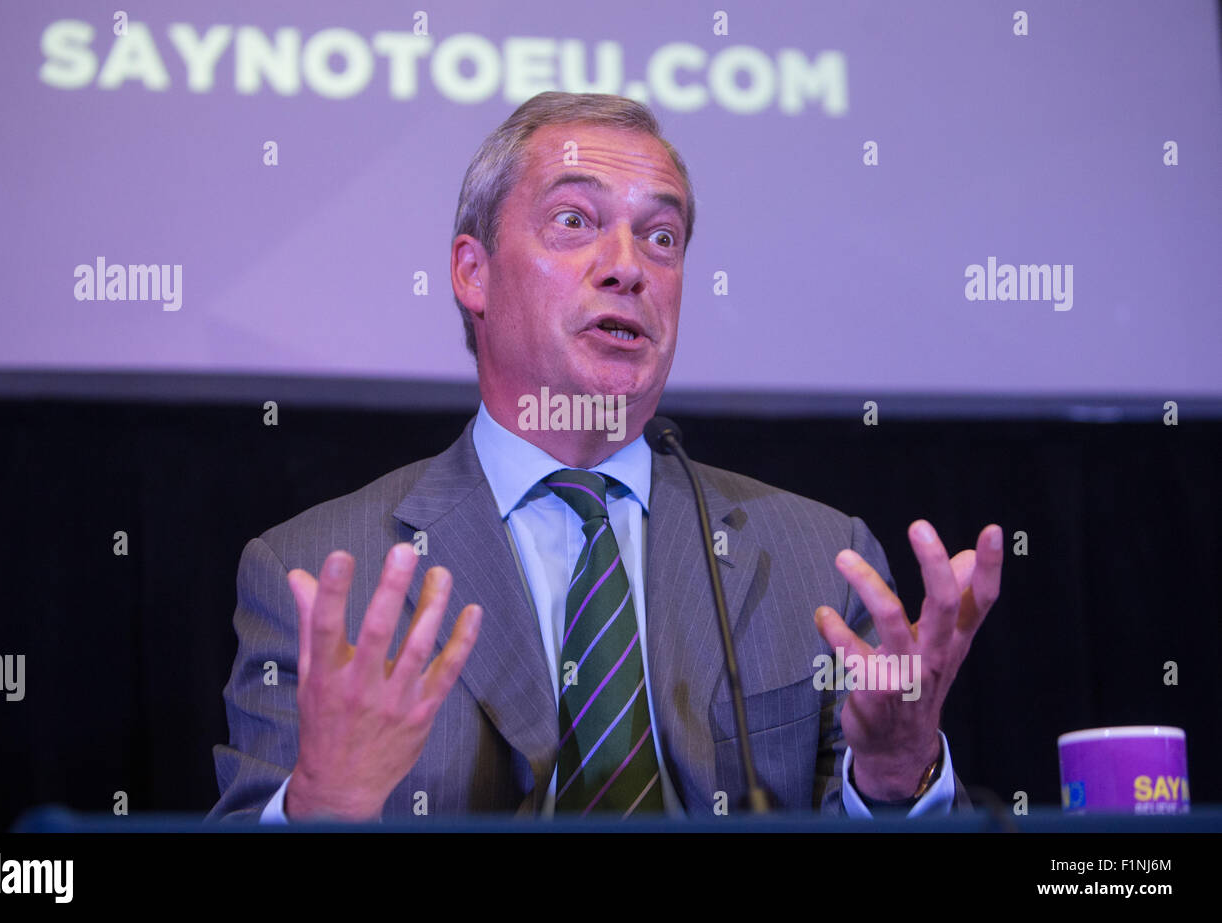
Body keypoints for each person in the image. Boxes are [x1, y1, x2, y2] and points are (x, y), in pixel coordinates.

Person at [208, 91, 1002, 822]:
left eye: (662, 237)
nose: (629, 267)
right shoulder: (314, 570)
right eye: (575, 222)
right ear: (471, 272)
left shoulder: (821, 563)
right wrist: (322, 803)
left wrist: (898, 774)